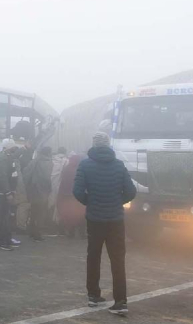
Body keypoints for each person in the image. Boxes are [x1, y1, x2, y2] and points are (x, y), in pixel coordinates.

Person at [73, 132, 136, 315]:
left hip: (94, 219)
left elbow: (76, 191)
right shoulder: (118, 165)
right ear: (108, 146)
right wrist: (118, 202)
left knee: (93, 257)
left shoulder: (85, 165)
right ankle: (121, 301)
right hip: (116, 219)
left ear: (93, 145)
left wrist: (90, 202)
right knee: (118, 260)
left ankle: (94, 296)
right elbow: (131, 191)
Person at [23, 146, 53, 242]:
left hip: (33, 190)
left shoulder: (34, 161)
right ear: (48, 153)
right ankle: (37, 234)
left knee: (33, 211)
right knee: (41, 213)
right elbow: (48, 178)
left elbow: (26, 173)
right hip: (43, 191)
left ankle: (31, 232)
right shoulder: (49, 163)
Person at [0, 138, 19, 251]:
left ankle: (7, 239)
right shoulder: (4, 158)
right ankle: (1, 242)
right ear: (8, 147)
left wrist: (13, 189)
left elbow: (13, 174)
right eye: (13, 147)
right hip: (4, 192)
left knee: (6, 217)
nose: (14, 149)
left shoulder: (9, 156)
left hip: (8, 190)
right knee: (3, 218)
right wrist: (8, 192)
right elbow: (3, 177)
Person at [57, 154, 86, 238]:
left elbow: (62, 182)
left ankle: (71, 232)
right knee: (81, 215)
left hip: (67, 196)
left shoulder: (66, 169)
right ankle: (82, 233)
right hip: (78, 197)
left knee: (70, 215)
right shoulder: (80, 169)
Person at [49, 147, 69, 231]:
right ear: (65, 152)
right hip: (60, 184)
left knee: (49, 201)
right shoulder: (66, 161)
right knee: (58, 203)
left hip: (49, 183)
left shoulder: (51, 159)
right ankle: (56, 222)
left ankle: (47, 221)